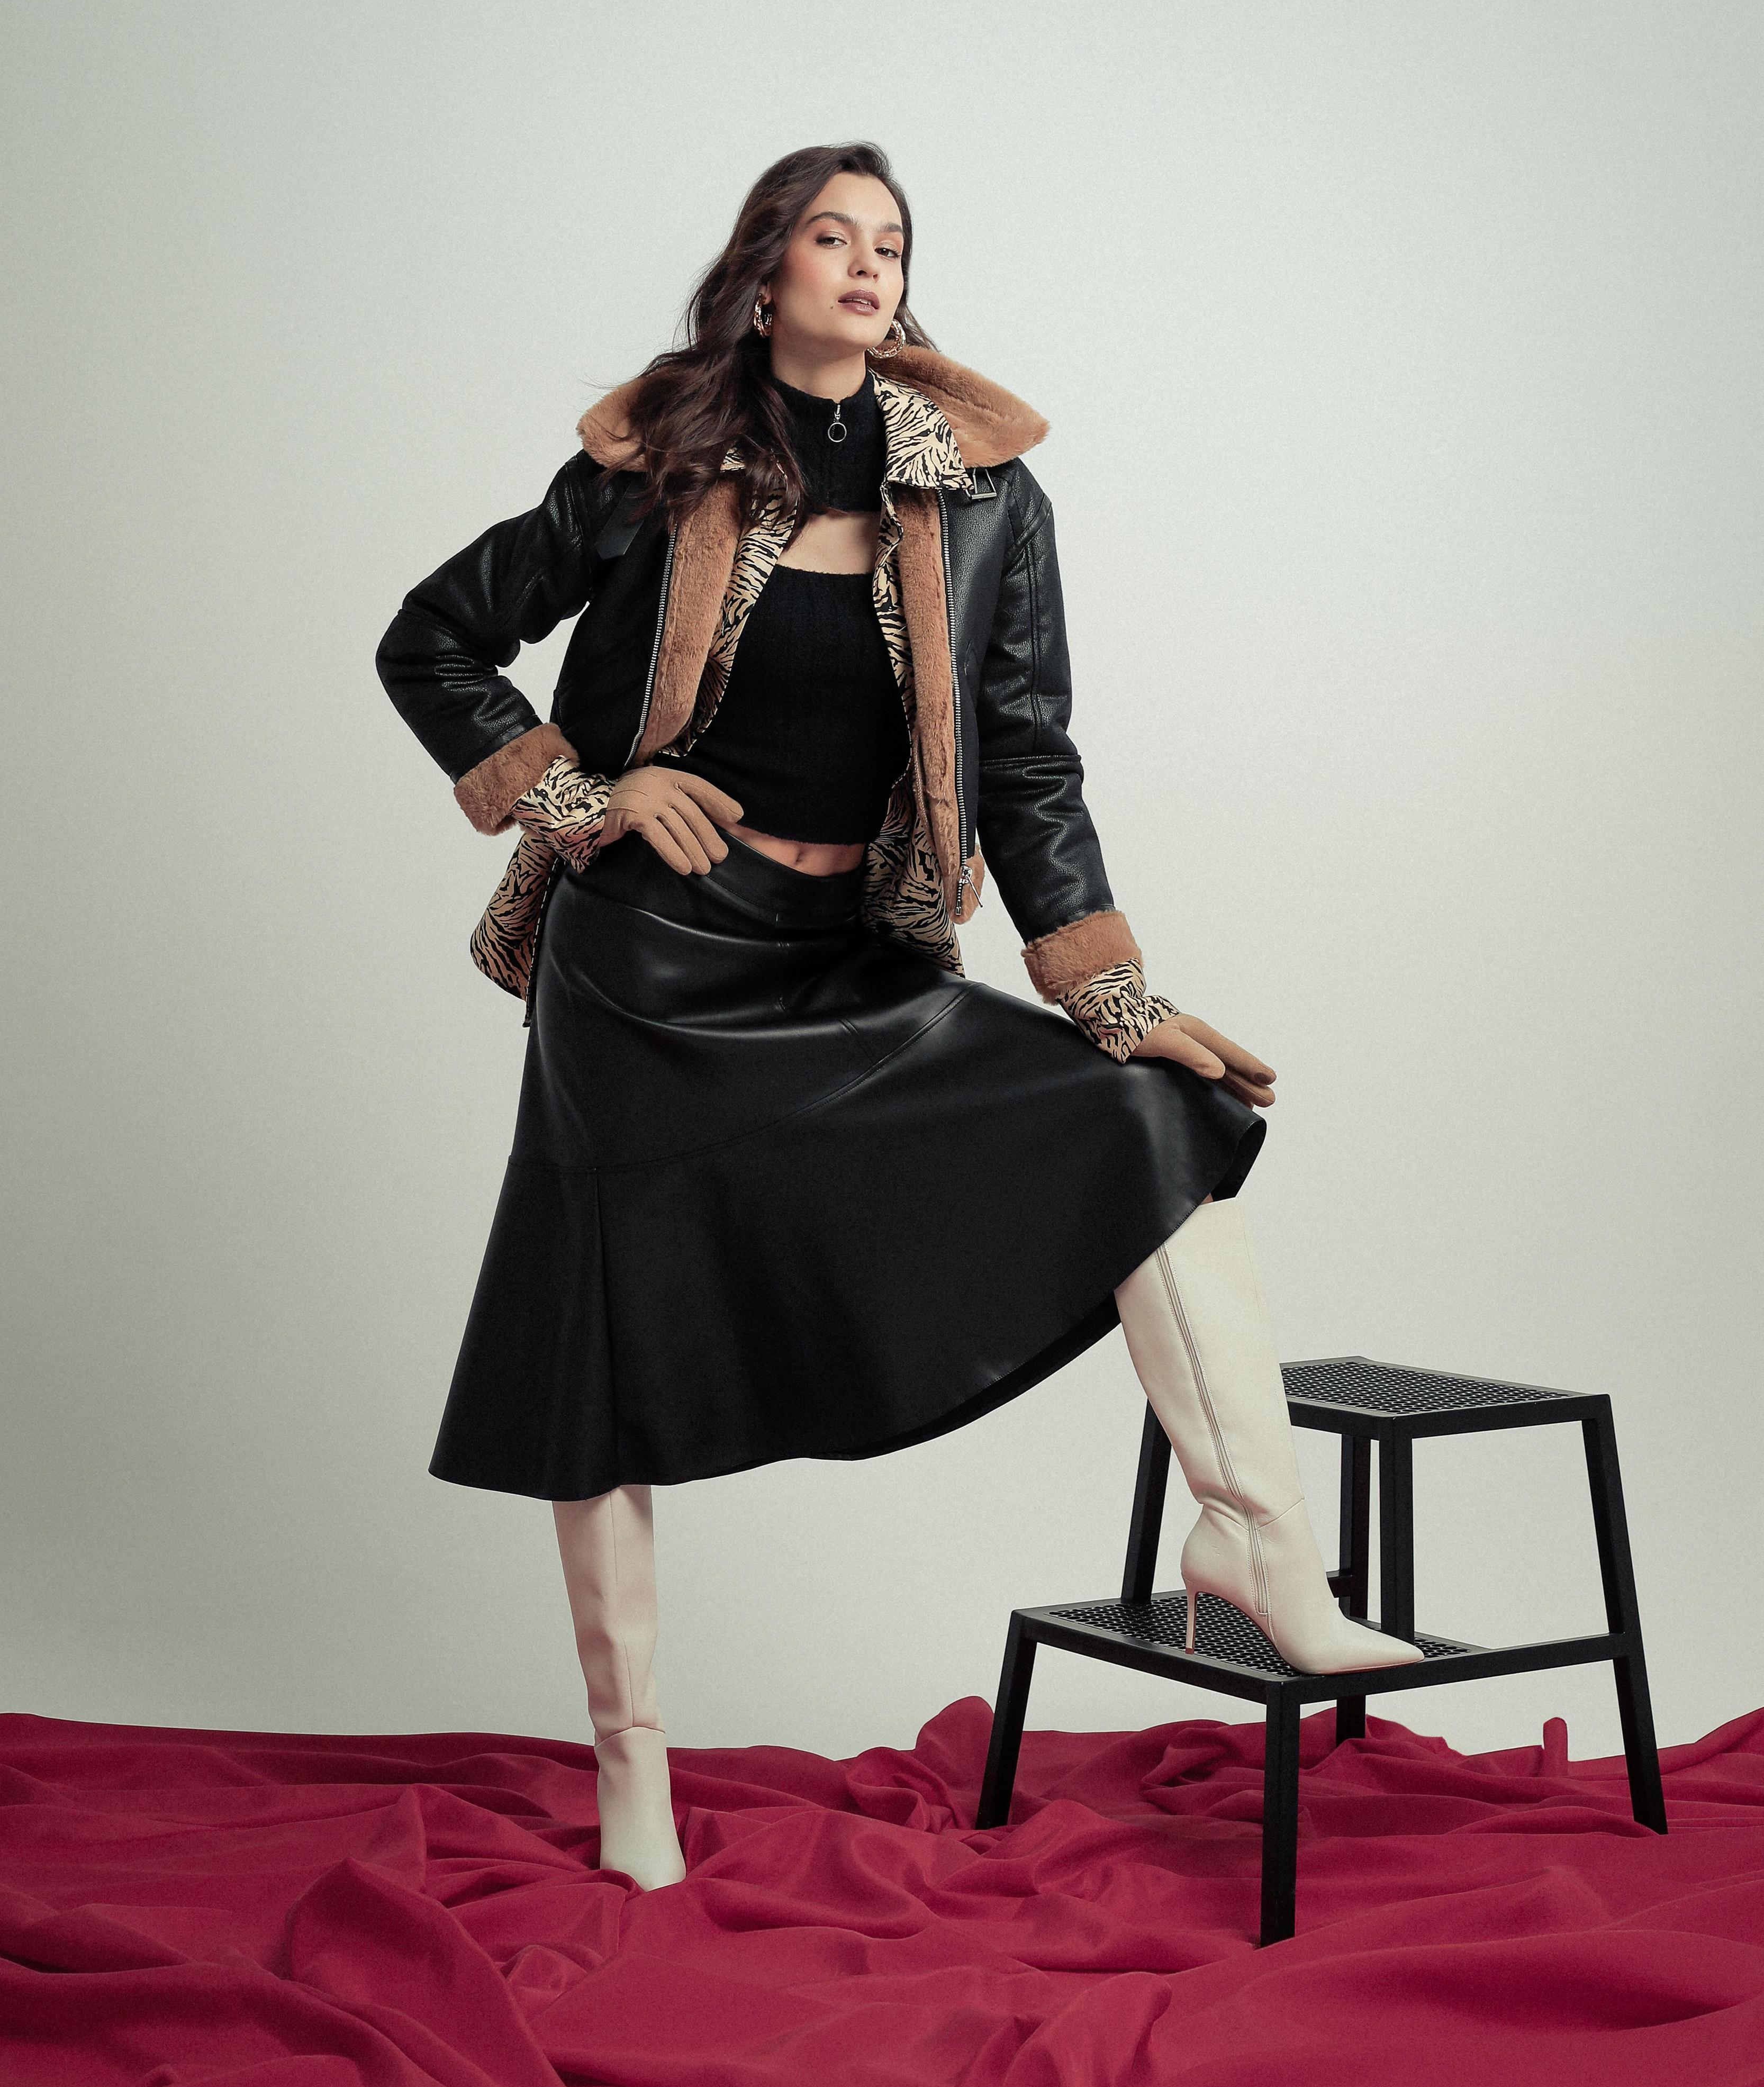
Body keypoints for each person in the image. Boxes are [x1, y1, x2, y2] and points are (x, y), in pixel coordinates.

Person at [376, 141, 1423, 1890]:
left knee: (1154, 1117)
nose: (868, 267)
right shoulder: (654, 465)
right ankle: (633, 1777)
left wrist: (1110, 995)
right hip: (648, 970)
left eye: (892, 243)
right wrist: (584, 798)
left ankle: (1256, 1547)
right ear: (765, 272)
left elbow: (1026, 760)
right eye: (831, 237)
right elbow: (433, 638)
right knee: (604, 1345)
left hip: (849, 954)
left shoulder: (987, 494)